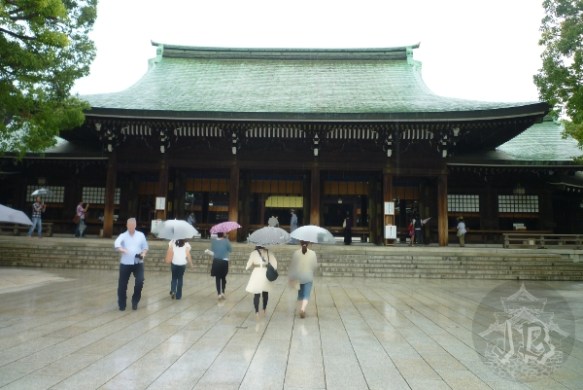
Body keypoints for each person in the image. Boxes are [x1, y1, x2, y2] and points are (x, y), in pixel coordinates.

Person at [114, 217, 149, 311]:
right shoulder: (123, 235)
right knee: (122, 284)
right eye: (129, 225)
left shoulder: (141, 235)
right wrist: (122, 249)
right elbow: (116, 245)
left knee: (140, 281)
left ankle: (135, 301)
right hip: (125, 262)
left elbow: (145, 247)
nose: (131, 227)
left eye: (132, 225)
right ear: (127, 225)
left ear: (135, 225)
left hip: (138, 262)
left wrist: (143, 253)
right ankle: (122, 304)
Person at [245, 245, 277, 318]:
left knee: (256, 294)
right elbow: (274, 263)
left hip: (256, 273)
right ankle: (264, 309)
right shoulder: (268, 252)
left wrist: (247, 267)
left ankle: (256, 312)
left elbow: (249, 264)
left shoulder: (253, 253)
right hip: (265, 273)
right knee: (265, 293)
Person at [288, 240, 318, 318]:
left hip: (298, 276)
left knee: (300, 294)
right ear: (308, 244)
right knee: (306, 294)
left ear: (300, 243)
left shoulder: (296, 253)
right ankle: (303, 309)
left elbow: (293, 265)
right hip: (308, 276)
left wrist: (291, 277)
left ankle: (300, 309)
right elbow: (314, 265)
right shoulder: (313, 253)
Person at [209, 232, 232, 299]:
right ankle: (223, 292)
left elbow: (213, 250)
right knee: (223, 277)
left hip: (216, 261)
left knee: (217, 278)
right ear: (223, 234)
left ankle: (219, 293)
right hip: (224, 261)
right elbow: (230, 250)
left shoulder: (214, 241)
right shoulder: (226, 241)